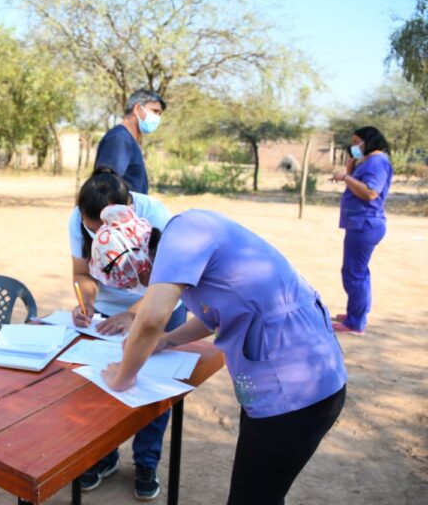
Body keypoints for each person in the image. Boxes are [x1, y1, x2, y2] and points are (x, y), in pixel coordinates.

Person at [95, 206, 347, 505]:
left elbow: (151, 318)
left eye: (143, 279)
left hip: (294, 388)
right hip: (298, 380)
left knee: (252, 498)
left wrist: (123, 377)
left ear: (141, 260)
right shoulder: (192, 240)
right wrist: (168, 341)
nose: (148, 285)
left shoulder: (183, 236)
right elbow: (215, 313)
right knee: (261, 494)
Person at [69, 170, 186, 500]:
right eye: (90, 230)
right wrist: (87, 304)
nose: (93, 235)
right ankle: (103, 457)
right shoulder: (80, 218)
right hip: (107, 314)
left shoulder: (157, 217)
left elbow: (166, 286)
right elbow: (81, 272)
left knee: (151, 385)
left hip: (156, 303)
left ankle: (146, 461)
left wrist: (134, 315)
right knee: (99, 382)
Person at [330, 126, 393, 336]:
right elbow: (357, 184)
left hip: (365, 224)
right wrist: (349, 167)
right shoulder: (369, 161)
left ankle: (356, 322)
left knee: (354, 273)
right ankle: (355, 313)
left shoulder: (377, 163)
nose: (354, 146)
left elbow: (370, 193)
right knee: (358, 272)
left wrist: (346, 178)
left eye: (357, 142)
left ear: (368, 141)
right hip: (359, 223)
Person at [93, 89, 166, 194]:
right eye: (154, 111)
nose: (157, 118)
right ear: (137, 109)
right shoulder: (119, 139)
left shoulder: (131, 140)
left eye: (160, 114)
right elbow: (106, 188)